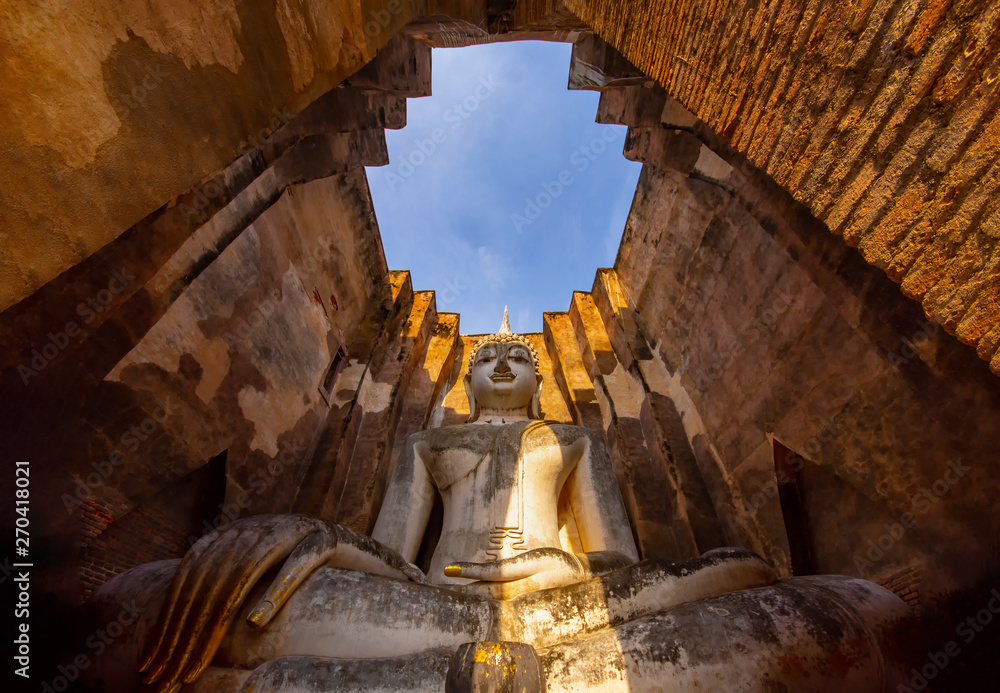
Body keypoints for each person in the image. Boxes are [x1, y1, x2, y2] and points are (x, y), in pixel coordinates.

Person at [88, 312, 910, 693]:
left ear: (540, 375)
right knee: (164, 595)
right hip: (426, 606)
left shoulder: (575, 438)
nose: (509, 363)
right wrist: (310, 538)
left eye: (522, 356)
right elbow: (389, 549)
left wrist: (600, 580)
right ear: (469, 379)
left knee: (826, 617)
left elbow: (617, 558)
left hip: (571, 607)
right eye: (493, 358)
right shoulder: (429, 442)